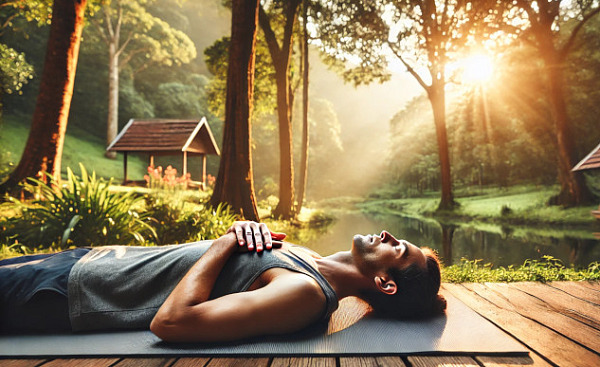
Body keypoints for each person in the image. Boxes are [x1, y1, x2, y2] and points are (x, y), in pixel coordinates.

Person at [0, 221, 446, 342]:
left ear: (386, 283)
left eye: (398, 249)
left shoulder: (306, 293)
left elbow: (173, 322)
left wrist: (225, 240)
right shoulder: (308, 259)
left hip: (69, 291)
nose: (388, 235)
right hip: (92, 261)